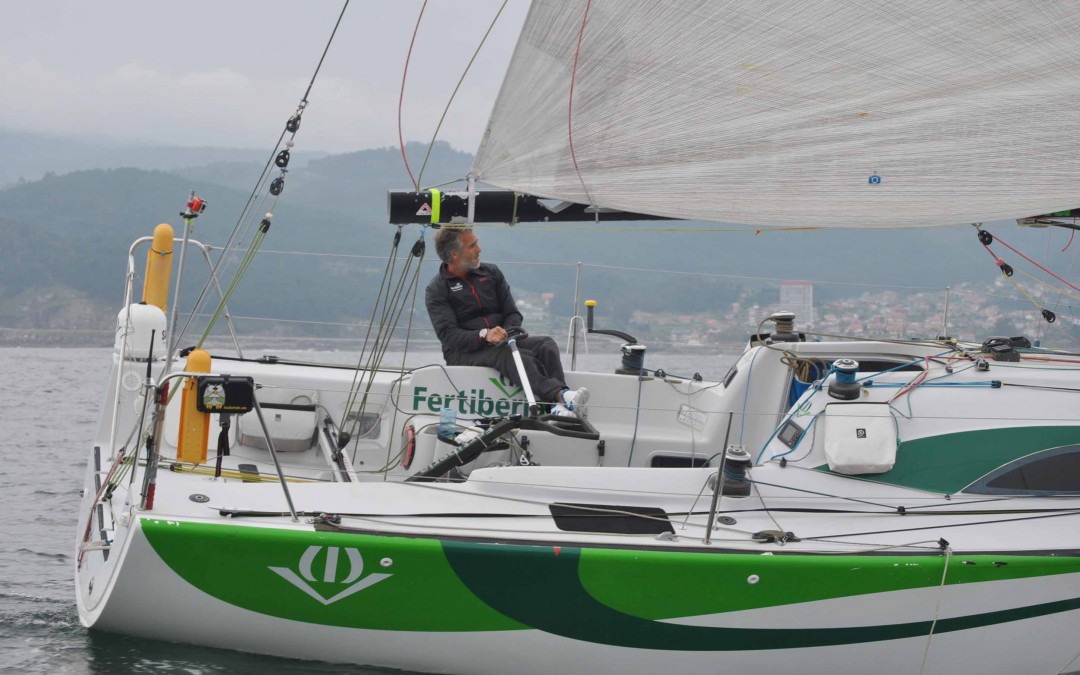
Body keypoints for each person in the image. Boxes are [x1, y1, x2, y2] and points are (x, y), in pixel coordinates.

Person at [425, 226, 588, 417]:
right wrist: (485, 336)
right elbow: (447, 335)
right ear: (454, 254)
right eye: (472, 245)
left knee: (546, 344)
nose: (479, 249)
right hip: (462, 352)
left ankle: (555, 407)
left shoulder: (491, 273)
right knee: (509, 354)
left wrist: (506, 333)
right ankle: (561, 395)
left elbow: (513, 313)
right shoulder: (437, 289)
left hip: (502, 340)